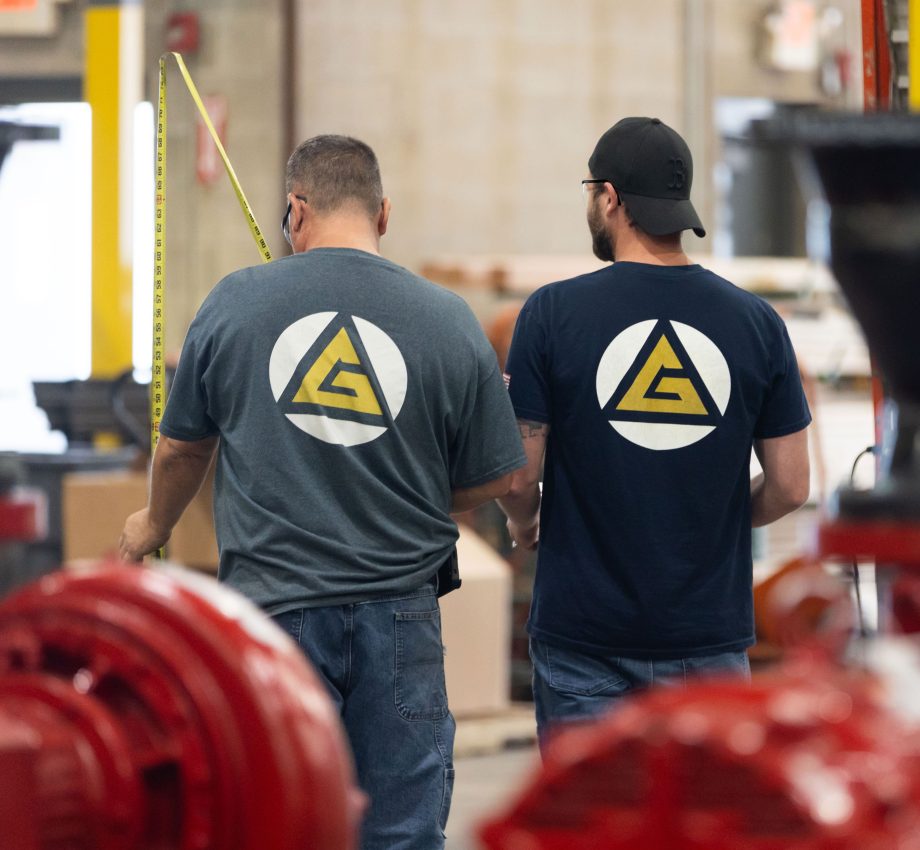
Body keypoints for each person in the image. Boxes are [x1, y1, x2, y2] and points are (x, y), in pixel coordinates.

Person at [119, 134, 526, 850]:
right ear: (384, 215)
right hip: (403, 616)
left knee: (280, 820)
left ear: (295, 210)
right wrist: (421, 491)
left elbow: (184, 446)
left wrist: (152, 524)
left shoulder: (236, 302)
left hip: (276, 614)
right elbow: (502, 475)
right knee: (400, 827)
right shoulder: (447, 318)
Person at [497, 117, 811, 751]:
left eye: (591, 191)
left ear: (610, 198)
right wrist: (714, 522)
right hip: (708, 640)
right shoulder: (757, 323)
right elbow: (792, 485)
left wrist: (525, 524)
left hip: (583, 637)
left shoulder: (551, 314)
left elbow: (518, 473)